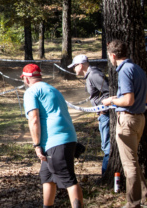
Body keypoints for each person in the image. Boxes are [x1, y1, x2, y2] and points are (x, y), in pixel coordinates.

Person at [22, 63, 83, 208]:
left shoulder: (31, 92)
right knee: (47, 176)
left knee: (68, 179)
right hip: (65, 139)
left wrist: (36, 145)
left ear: (25, 79)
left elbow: (34, 119)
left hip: (56, 142)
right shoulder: (53, 89)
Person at [102, 39, 147, 208]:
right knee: (133, 160)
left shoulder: (124, 71)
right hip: (139, 118)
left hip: (128, 119)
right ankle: (144, 195)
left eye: (109, 56)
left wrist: (112, 101)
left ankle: (133, 203)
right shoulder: (138, 69)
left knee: (130, 165)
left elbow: (128, 100)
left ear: (113, 55)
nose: (110, 59)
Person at [68, 54, 110, 176]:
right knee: (106, 145)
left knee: (107, 147)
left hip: (106, 115)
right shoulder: (90, 75)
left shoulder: (94, 75)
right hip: (103, 115)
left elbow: (110, 92)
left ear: (81, 65)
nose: (73, 69)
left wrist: (104, 109)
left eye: (74, 66)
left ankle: (105, 175)